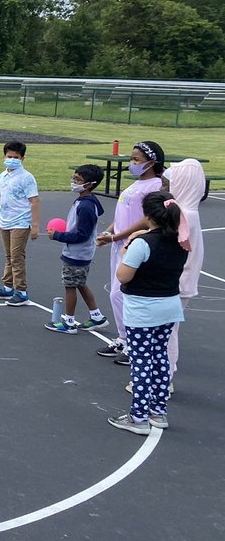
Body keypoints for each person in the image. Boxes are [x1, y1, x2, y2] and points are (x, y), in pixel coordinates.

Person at [107, 191, 188, 435]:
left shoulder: (142, 243)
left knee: (141, 361)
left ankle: (138, 417)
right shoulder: (181, 241)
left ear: (147, 215)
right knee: (160, 357)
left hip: (143, 309)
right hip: (169, 305)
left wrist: (124, 253)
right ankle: (157, 411)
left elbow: (123, 275)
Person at [95, 141, 165, 363]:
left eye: (136, 160)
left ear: (151, 163)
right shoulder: (135, 185)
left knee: (122, 293)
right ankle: (124, 338)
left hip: (136, 244)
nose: (131, 163)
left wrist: (118, 236)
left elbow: (147, 219)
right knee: (116, 293)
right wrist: (109, 232)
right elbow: (123, 213)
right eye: (131, 159)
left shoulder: (154, 187)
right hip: (120, 243)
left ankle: (134, 344)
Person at [159, 158, 206, 389]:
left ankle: (164, 380)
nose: (163, 190)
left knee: (166, 332)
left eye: (167, 186)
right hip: (180, 281)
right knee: (167, 330)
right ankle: (164, 377)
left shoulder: (180, 215)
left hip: (173, 283)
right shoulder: (189, 212)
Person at [45, 164, 107, 334]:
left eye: (78, 179)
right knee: (80, 283)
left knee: (70, 286)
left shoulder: (85, 206)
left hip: (77, 254)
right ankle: (96, 316)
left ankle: (69, 322)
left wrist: (57, 235)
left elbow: (82, 235)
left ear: (89, 184)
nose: (74, 181)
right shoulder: (88, 201)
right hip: (82, 253)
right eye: (74, 177)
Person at [0, 140, 40, 306]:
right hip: (5, 220)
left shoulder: (26, 178)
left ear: (22, 158)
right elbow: (3, 198)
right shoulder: (2, 176)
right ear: (4, 156)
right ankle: (8, 287)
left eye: (16, 157)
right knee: (9, 256)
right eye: (9, 156)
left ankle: (21, 291)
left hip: (21, 222)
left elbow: (35, 201)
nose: (12, 159)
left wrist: (35, 226)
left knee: (17, 257)